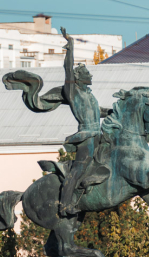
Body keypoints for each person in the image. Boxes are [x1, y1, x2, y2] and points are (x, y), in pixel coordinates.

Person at [58, 27, 101, 217]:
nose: (90, 76)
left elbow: (98, 112)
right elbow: (68, 70)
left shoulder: (90, 96)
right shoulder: (73, 92)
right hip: (86, 137)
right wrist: (70, 47)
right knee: (78, 169)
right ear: (79, 78)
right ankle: (64, 204)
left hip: (98, 135)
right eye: (87, 73)